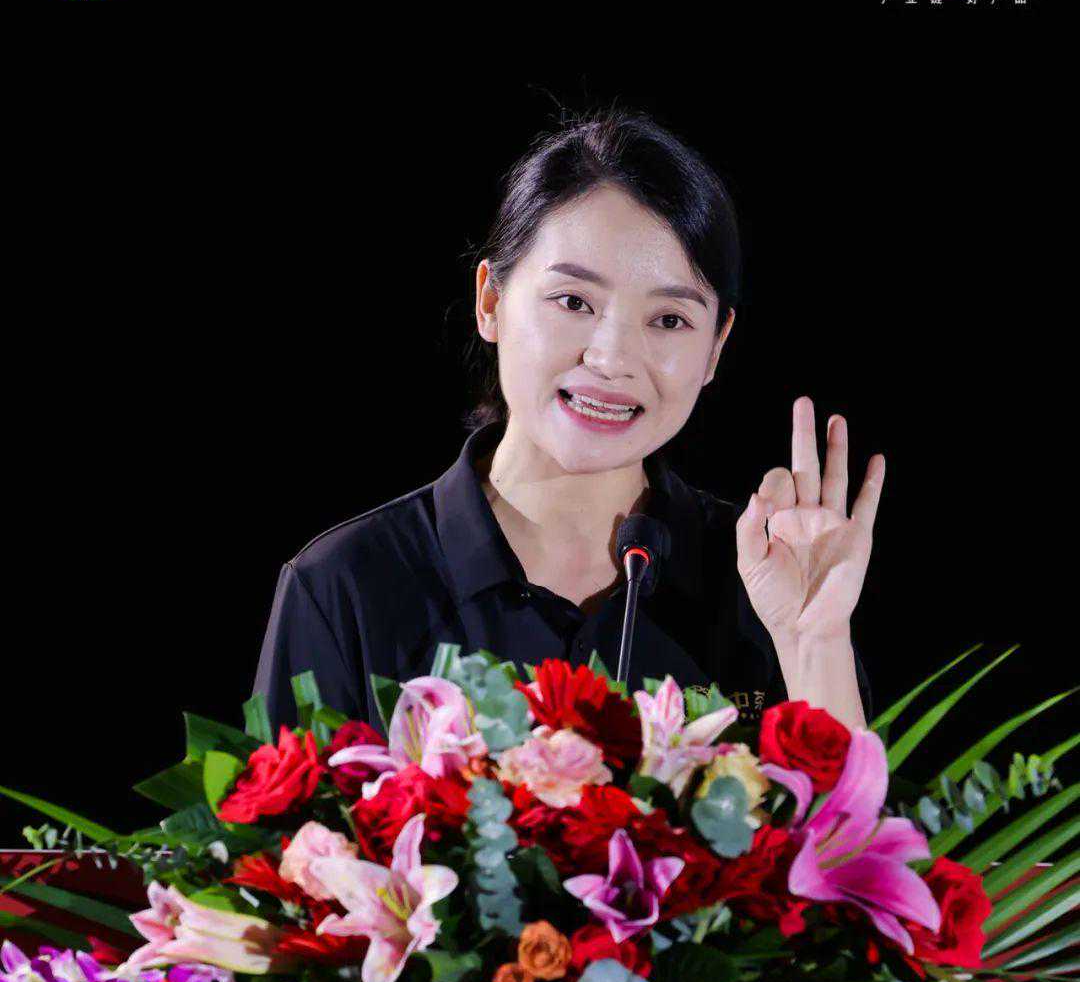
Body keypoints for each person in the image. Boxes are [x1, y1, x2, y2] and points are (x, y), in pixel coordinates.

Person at [254, 102, 879, 738]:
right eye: (574, 301)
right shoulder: (345, 585)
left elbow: (852, 807)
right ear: (490, 300)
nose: (611, 359)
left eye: (669, 320)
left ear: (715, 347)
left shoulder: (768, 578)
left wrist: (814, 643)